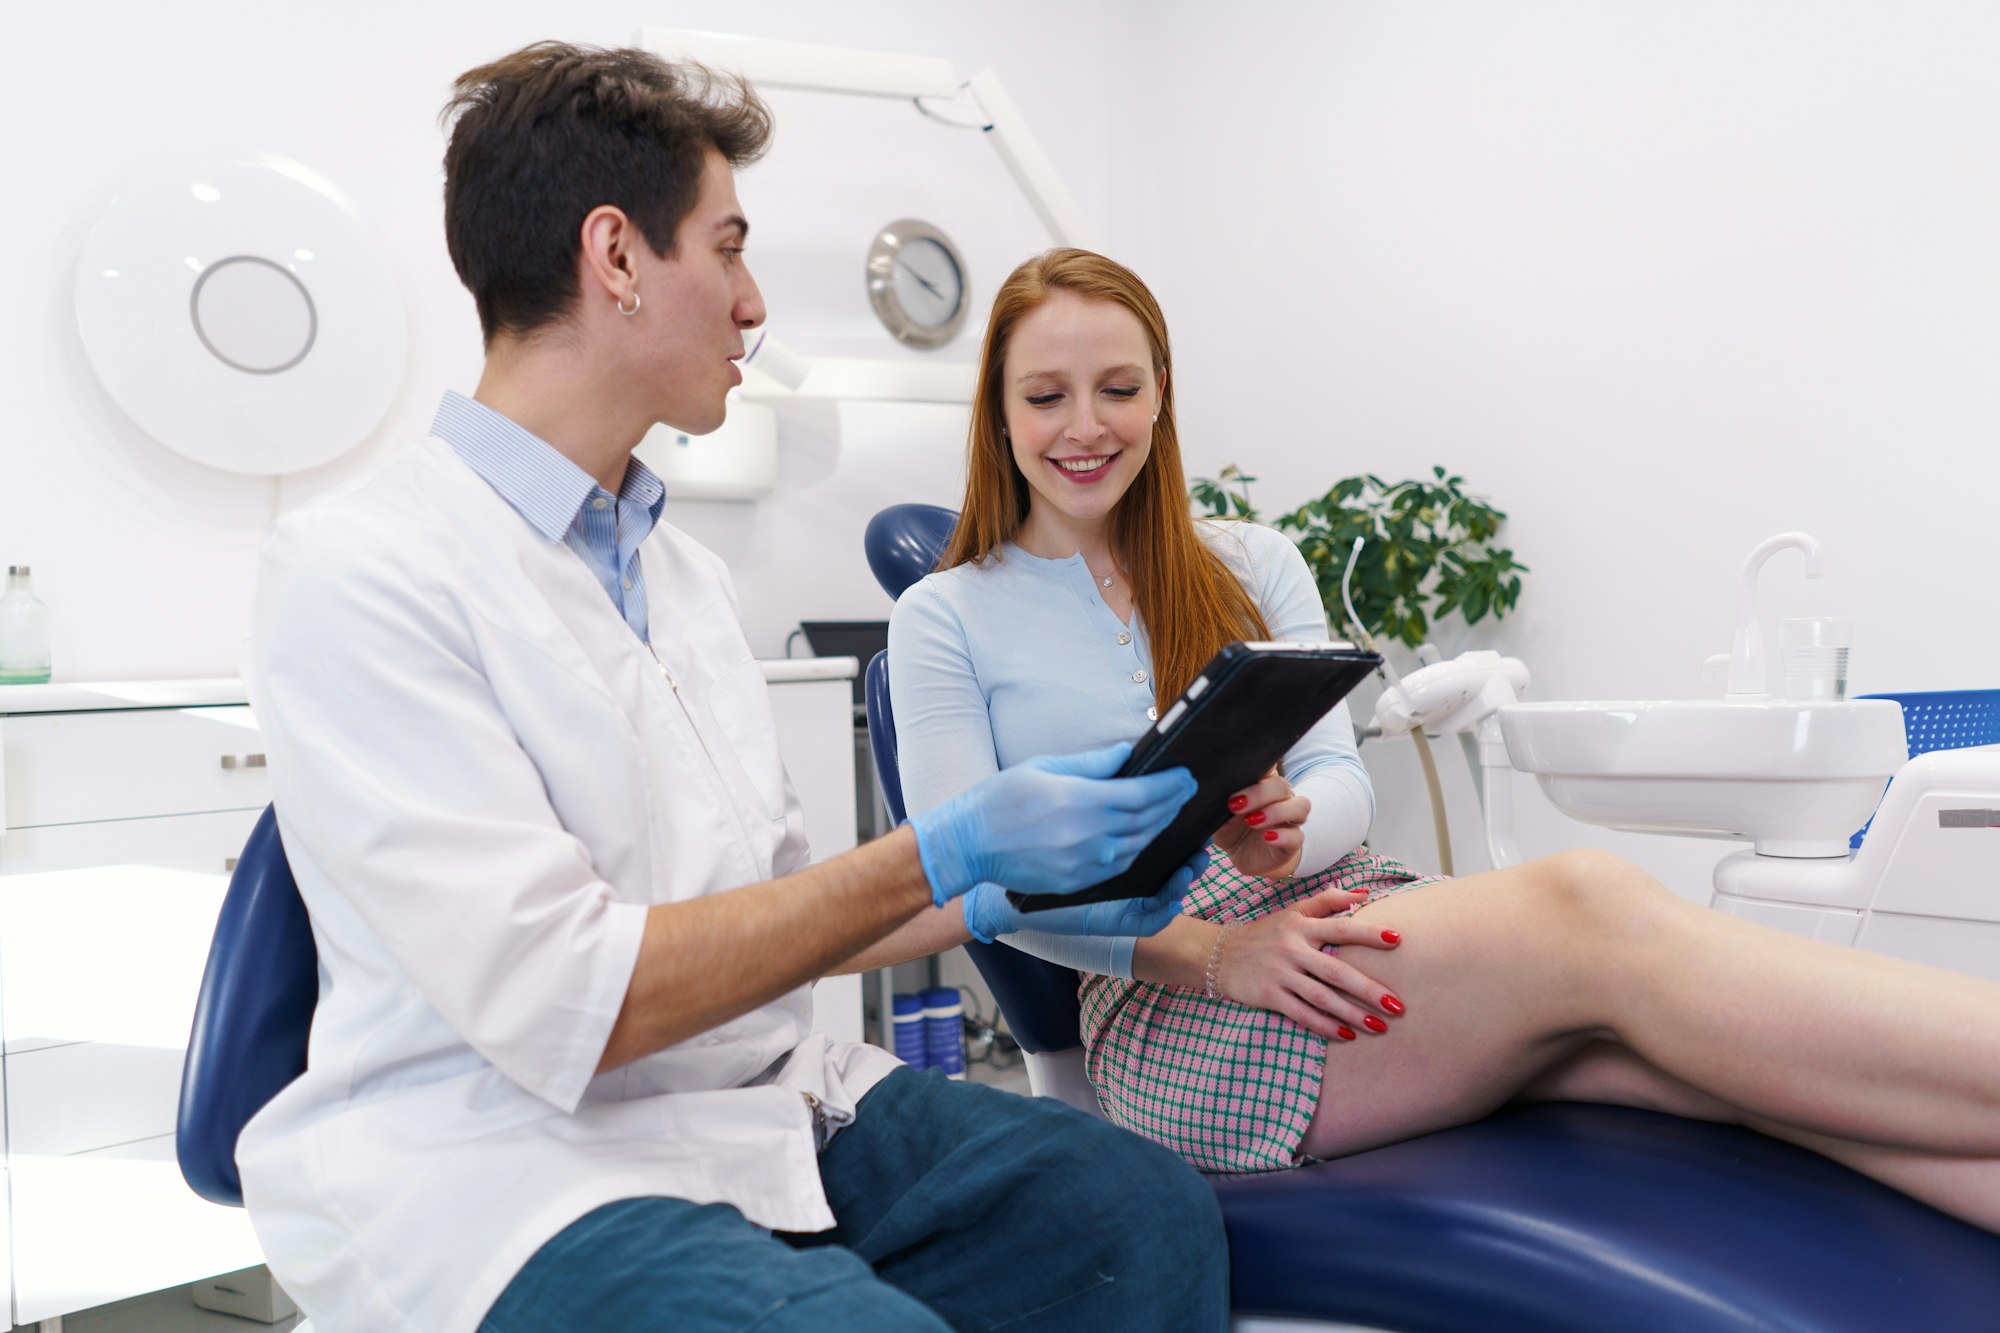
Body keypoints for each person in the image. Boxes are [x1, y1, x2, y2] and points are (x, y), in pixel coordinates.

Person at [239, 47, 1228, 1333]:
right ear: (619, 258)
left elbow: (775, 917)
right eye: (730, 247)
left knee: (1135, 1216)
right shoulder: (365, 568)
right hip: (511, 1163)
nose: (754, 303)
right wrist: (942, 846)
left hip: (762, 1106)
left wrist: (1016, 879)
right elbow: (569, 1002)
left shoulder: (683, 574)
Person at [885, 246, 2000, 1232]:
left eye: (1117, 389)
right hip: (1174, 1002)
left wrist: (1291, 829)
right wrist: (1207, 951)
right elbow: (967, 891)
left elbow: (1336, 780)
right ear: (996, 412)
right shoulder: (947, 615)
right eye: (1046, 396)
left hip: (1336, 909)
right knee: (1589, 905)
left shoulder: (1252, 561)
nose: (1085, 426)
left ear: (1160, 397)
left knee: (1665, 1064)